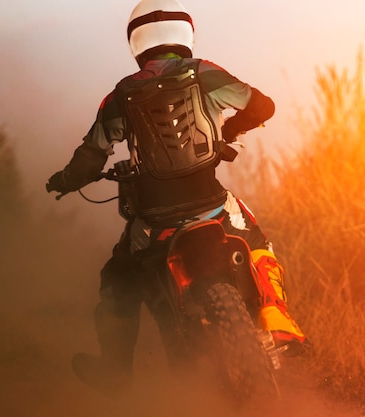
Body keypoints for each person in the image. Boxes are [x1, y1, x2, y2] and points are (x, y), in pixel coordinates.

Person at [46, 0, 309, 395]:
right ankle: (279, 325)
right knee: (257, 243)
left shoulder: (120, 95)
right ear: (184, 32)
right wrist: (230, 132)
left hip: (154, 222)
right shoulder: (204, 72)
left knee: (117, 280)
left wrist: (63, 181)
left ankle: (115, 373)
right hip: (214, 205)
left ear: (136, 40)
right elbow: (263, 106)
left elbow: (90, 156)